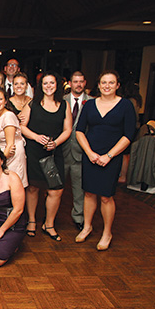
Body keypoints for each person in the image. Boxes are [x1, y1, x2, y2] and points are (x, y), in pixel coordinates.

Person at [75, 70, 136, 251]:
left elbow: (128, 135)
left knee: (106, 197)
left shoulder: (125, 106)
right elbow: (79, 131)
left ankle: (107, 233)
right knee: (88, 193)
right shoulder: (90, 104)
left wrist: (109, 155)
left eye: (111, 83)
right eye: (103, 83)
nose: (107, 86)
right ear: (99, 85)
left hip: (112, 157)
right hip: (91, 155)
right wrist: (89, 153)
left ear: (117, 85)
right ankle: (87, 227)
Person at [20, 71, 72, 240]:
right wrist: (35, 137)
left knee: (56, 190)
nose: (48, 86)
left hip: (54, 152)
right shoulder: (32, 104)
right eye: (45, 83)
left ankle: (49, 224)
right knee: (33, 187)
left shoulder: (64, 105)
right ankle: (32, 221)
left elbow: (68, 130)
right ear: (40, 87)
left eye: (51, 83)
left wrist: (55, 142)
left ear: (57, 85)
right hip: (34, 151)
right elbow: (21, 127)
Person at [63, 71, 93, 230]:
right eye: (75, 81)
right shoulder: (61, 101)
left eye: (81, 81)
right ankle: (50, 219)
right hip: (61, 151)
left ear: (85, 82)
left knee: (79, 189)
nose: (78, 84)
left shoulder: (93, 102)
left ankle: (79, 218)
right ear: (70, 83)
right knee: (54, 188)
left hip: (81, 153)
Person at [0, 87, 28, 188]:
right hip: (3, 154)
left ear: (5, 101)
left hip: (12, 156)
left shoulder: (8, 116)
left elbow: (10, 145)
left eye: (0, 99)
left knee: (14, 187)